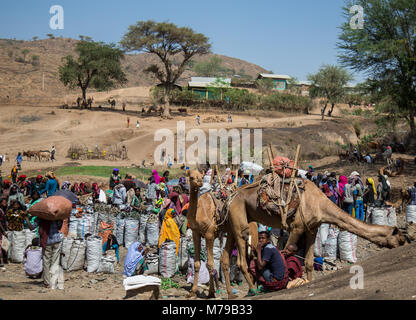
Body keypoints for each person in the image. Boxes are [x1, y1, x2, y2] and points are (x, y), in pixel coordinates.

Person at [25, 215, 64, 288]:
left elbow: (31, 228)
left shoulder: (40, 217)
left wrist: (27, 219)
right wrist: (60, 218)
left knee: (46, 262)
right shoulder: (54, 215)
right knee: (55, 262)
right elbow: (59, 227)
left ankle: (47, 283)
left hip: (46, 241)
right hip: (56, 240)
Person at [0, 198, 7, 269]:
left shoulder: (4, 210)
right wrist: (3, 230)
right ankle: (1, 261)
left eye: (6, 202)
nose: (5, 203)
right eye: (3, 202)